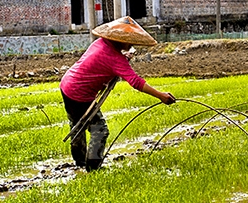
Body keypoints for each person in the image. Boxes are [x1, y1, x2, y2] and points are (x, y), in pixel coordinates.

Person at [60, 16, 176, 171]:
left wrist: (123, 57)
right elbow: (136, 82)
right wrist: (161, 95)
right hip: (80, 93)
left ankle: (80, 162)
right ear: (121, 40)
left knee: (77, 125)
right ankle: (92, 168)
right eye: (129, 42)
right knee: (100, 130)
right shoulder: (115, 59)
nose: (131, 45)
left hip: (67, 84)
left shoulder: (100, 43)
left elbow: (104, 63)